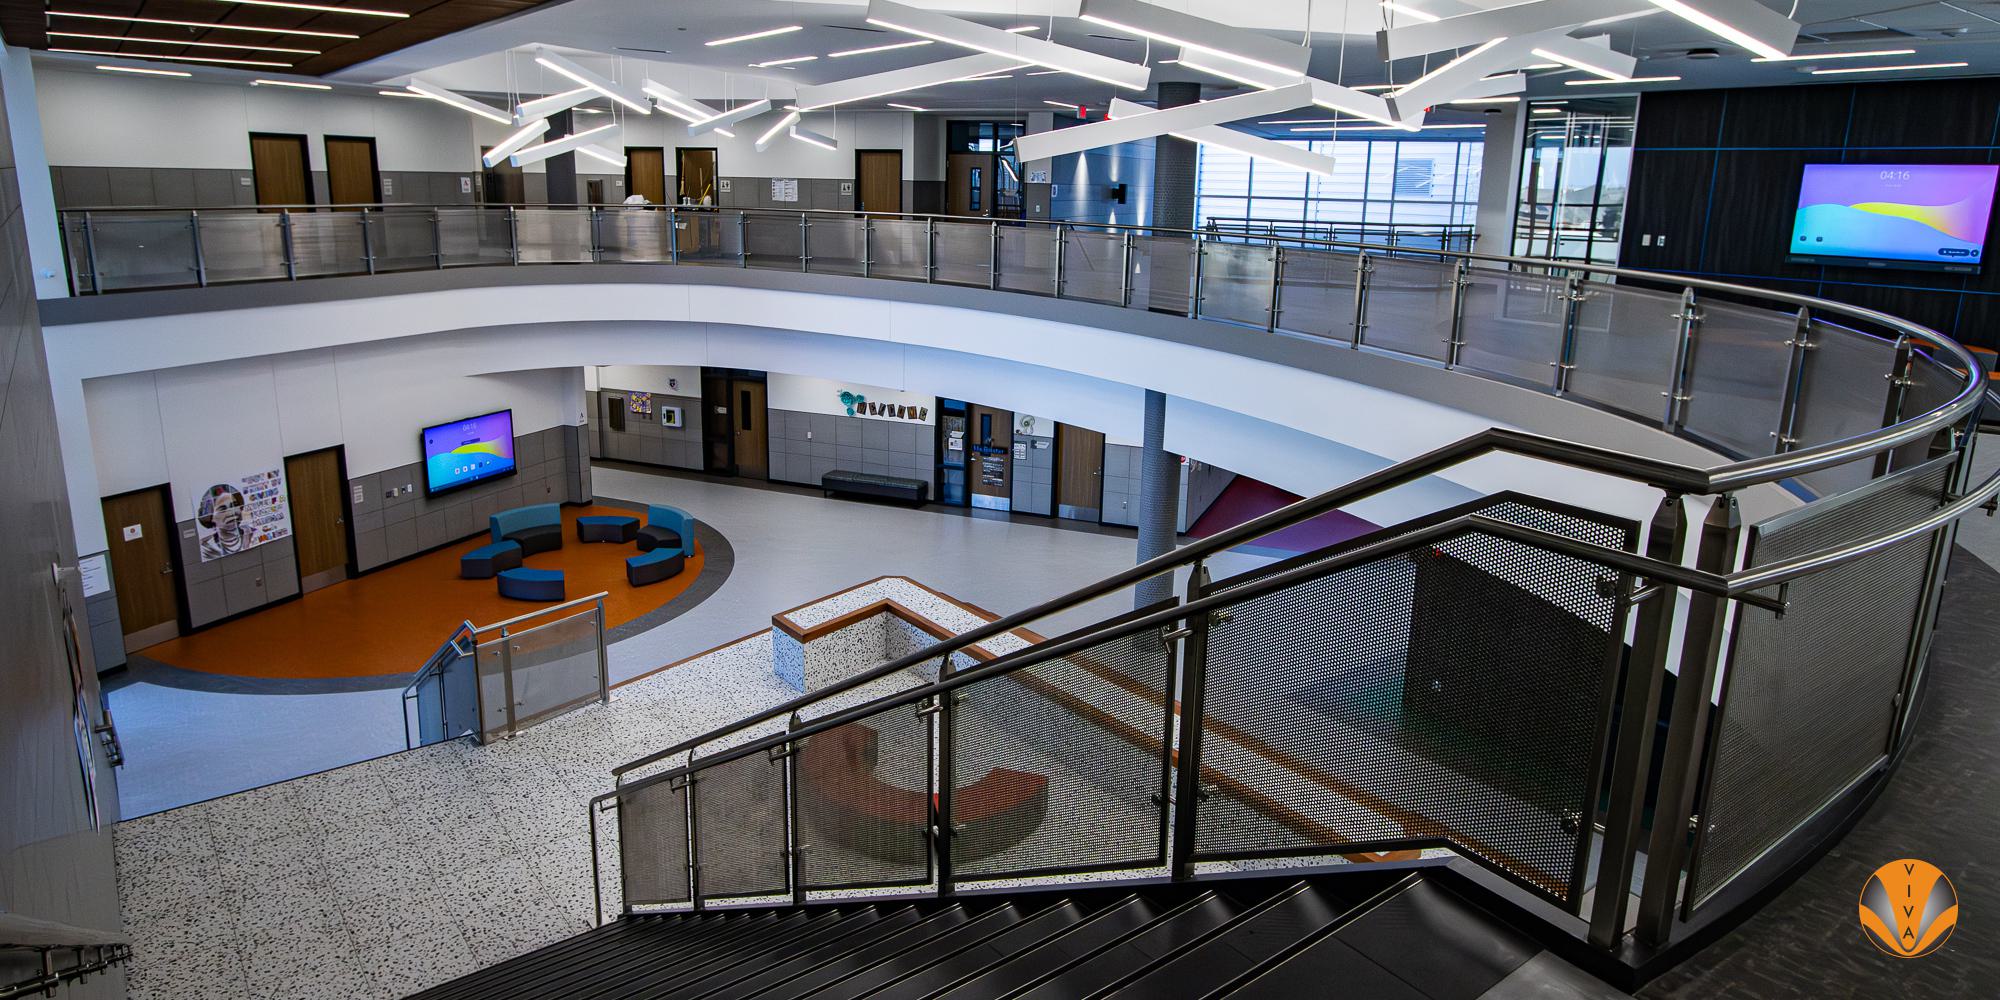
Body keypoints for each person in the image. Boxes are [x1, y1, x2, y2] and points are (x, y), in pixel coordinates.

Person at [197, 484, 248, 560]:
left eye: (234, 505)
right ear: (210, 517)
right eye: (222, 509)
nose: (231, 512)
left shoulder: (251, 533)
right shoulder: (206, 548)